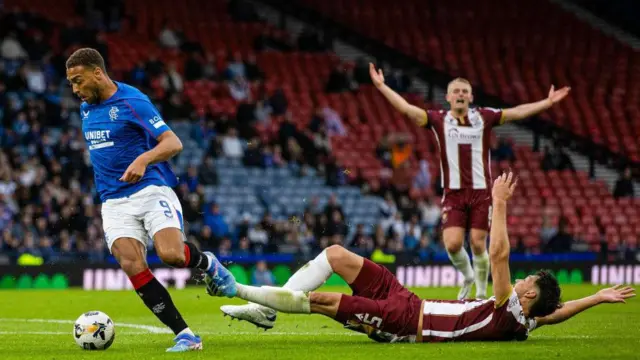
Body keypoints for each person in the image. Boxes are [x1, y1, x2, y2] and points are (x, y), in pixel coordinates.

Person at [206, 172, 635, 343]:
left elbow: (499, 253)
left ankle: (240, 290)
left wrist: (499, 202)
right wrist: (595, 298)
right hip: (408, 299)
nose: (521, 282)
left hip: (404, 323)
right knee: (335, 254)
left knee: (322, 302)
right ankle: (263, 311)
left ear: (525, 299)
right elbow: (556, 313)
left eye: (528, 286)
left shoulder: (509, 310)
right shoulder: (528, 319)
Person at [66, 48, 234, 352]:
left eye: (78, 81)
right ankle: (185, 334)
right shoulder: (86, 108)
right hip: (113, 202)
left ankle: (208, 263)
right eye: (71, 84)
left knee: (171, 255)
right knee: (132, 264)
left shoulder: (133, 102)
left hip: (150, 190)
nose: (75, 90)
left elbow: (173, 142)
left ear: (98, 73)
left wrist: (144, 158)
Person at [369, 64, 571, 299]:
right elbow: (407, 109)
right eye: (456, 91)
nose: (461, 95)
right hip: (453, 193)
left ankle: (482, 293)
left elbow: (516, 112)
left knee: (477, 243)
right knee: (453, 244)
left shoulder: (483, 117)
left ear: (471, 97)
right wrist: (382, 86)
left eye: (465, 91)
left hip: (480, 192)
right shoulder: (438, 119)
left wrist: (547, 103)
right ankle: (467, 275)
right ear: (448, 97)